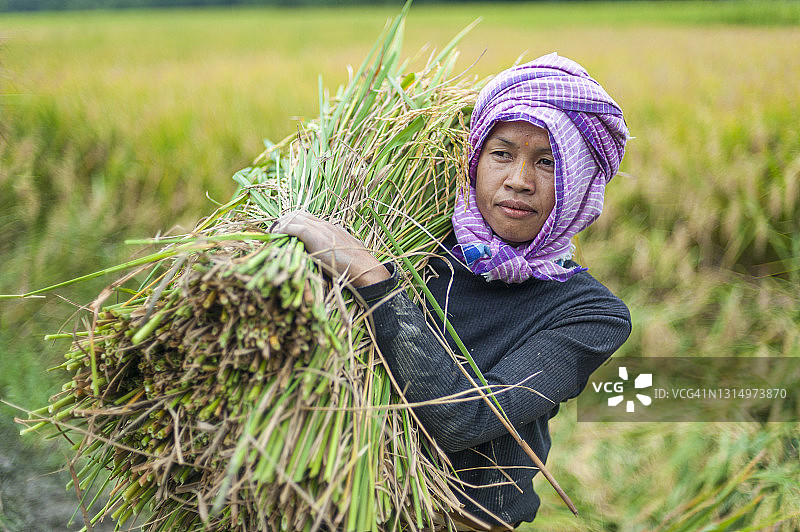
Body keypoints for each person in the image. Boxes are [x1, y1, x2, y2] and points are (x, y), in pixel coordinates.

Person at [273, 53, 631, 530]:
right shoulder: (409, 239)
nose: (519, 181)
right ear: (475, 158)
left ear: (581, 181)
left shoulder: (591, 314)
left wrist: (368, 275)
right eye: (502, 154)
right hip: (327, 499)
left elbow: (465, 421)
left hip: (460, 519)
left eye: (547, 162)